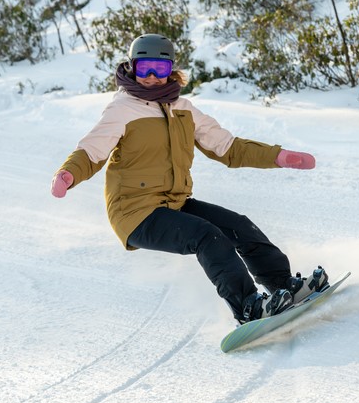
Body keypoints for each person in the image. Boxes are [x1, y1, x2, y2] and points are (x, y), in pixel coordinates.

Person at [50, 33, 328, 324]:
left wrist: (278, 157)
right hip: (134, 212)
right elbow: (92, 151)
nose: (154, 77)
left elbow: (227, 147)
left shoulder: (183, 109)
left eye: (162, 69)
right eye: (146, 68)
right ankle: (248, 307)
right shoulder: (122, 109)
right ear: (132, 67)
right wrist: (68, 173)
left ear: (172, 70)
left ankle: (283, 286)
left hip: (175, 203)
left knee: (238, 226)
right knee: (207, 236)